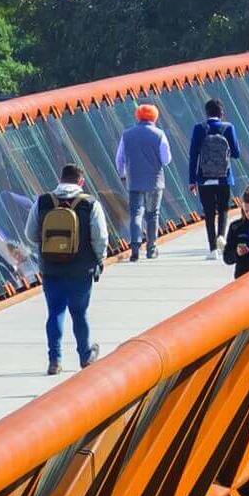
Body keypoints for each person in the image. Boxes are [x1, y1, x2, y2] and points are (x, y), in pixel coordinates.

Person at [32, 161, 107, 375]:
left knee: (55, 312)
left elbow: (30, 233)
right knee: (79, 313)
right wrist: (99, 259)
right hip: (81, 269)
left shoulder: (43, 202)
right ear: (81, 181)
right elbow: (100, 237)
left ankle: (54, 360)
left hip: (50, 268)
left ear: (60, 178)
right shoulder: (90, 204)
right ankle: (85, 355)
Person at [114, 102, 173, 262]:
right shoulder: (159, 134)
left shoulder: (127, 134)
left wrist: (123, 174)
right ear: (154, 117)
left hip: (134, 180)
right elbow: (166, 159)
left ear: (138, 116)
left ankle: (135, 248)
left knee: (136, 213)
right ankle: (151, 248)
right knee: (153, 214)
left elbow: (119, 158)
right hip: (155, 180)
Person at [188, 97, 242, 253]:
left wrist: (192, 180)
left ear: (206, 113)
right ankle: (221, 237)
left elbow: (193, 156)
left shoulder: (199, 128)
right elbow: (236, 153)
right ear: (221, 113)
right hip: (224, 177)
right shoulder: (228, 127)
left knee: (209, 213)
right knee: (224, 209)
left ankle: (212, 249)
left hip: (204, 178)